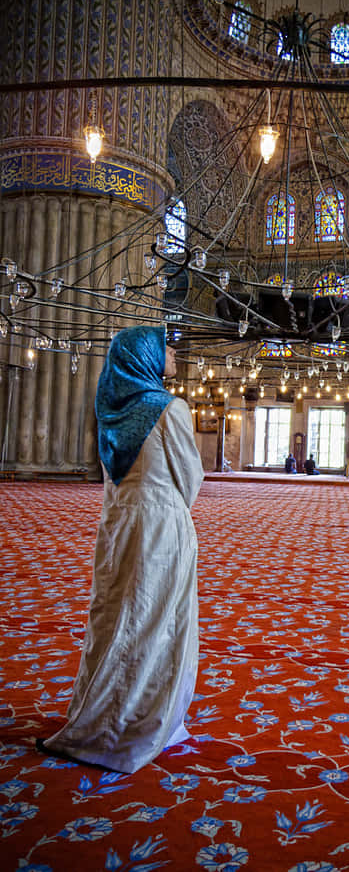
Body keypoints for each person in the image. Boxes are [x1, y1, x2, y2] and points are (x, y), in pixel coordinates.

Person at [38, 326, 204, 773]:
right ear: (146, 357)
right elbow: (190, 481)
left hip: (118, 523)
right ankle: (136, 723)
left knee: (115, 616)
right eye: (165, 346)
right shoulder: (170, 408)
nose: (173, 352)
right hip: (160, 524)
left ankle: (100, 714)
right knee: (154, 620)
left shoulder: (110, 408)